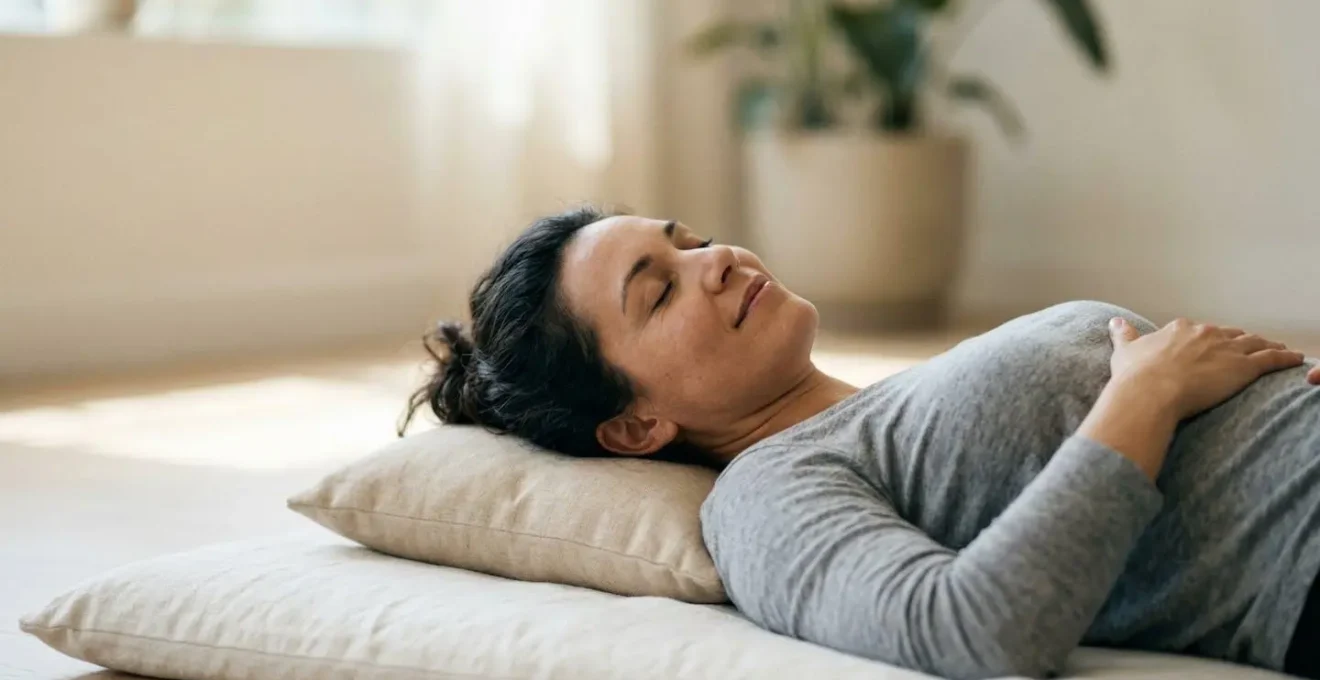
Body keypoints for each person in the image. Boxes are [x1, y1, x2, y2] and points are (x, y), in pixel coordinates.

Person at [399, 206, 1320, 680]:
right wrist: (1144, 395)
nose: (715, 259)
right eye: (661, 290)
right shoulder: (766, 493)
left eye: (690, 241)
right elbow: (977, 631)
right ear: (637, 426)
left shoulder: (899, 398)